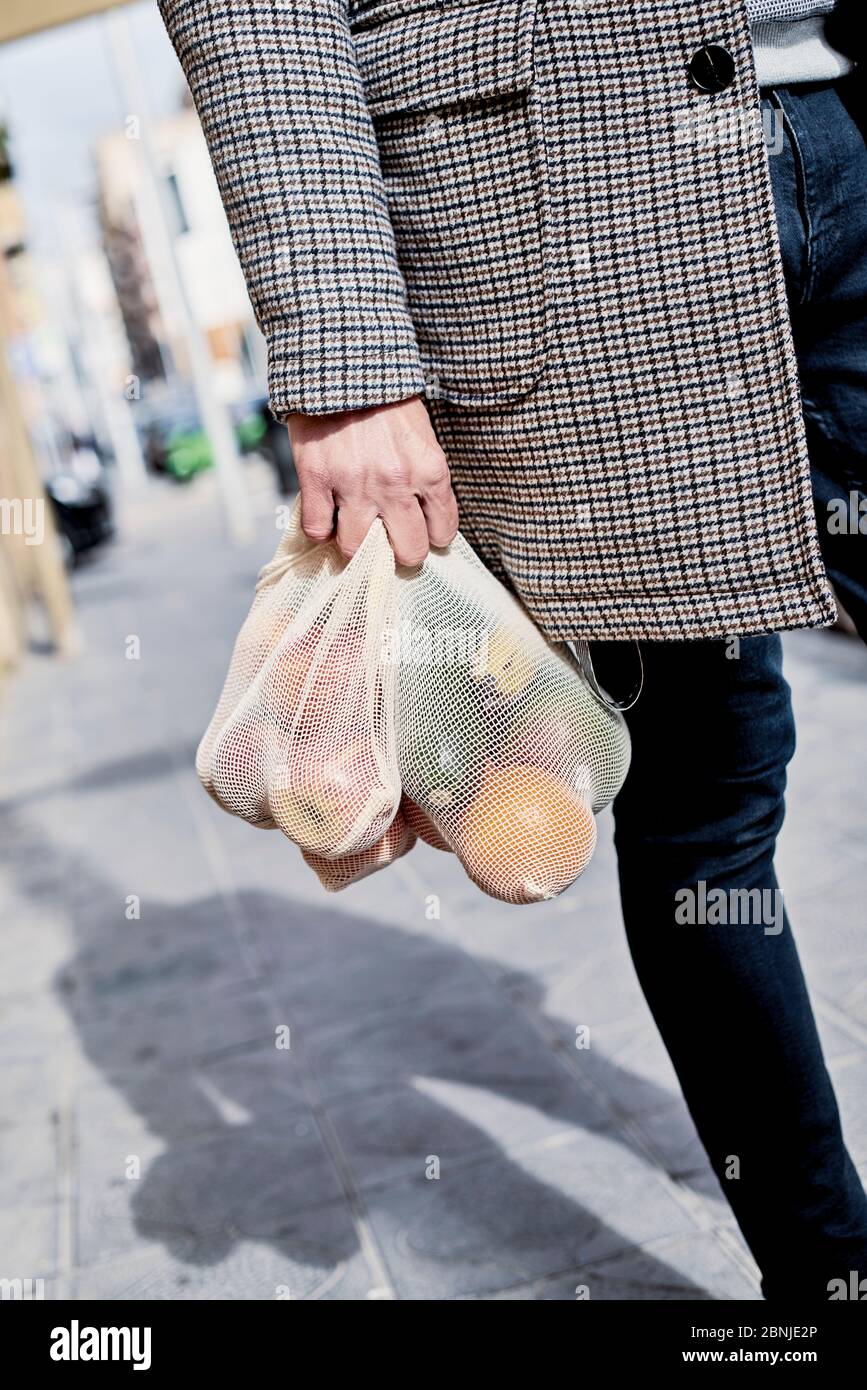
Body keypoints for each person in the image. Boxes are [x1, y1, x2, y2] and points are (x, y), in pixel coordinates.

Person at [157, 0, 866, 1297]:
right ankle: (834, 1281)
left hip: (846, 104)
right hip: (589, 188)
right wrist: (348, 354)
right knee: (708, 797)